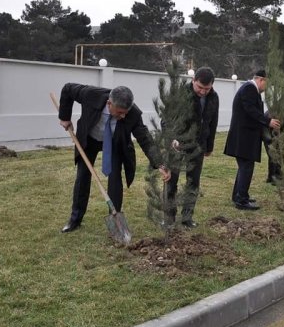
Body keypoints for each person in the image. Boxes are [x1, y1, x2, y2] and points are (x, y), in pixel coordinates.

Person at [57, 83, 171, 233]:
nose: (123, 116)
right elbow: (67, 89)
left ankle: (116, 222)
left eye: (126, 112)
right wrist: (64, 117)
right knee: (83, 176)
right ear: (109, 103)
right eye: (120, 112)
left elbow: (144, 138)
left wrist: (160, 162)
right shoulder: (90, 94)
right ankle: (75, 219)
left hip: (114, 142)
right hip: (89, 139)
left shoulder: (133, 114)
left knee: (115, 179)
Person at [166, 67, 219, 228]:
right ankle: (169, 217)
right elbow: (167, 118)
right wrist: (171, 138)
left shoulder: (213, 97)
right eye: (200, 87)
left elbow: (213, 122)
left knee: (193, 181)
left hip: (198, 145)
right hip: (178, 143)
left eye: (207, 88)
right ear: (193, 81)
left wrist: (209, 145)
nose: (203, 92)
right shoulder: (180, 93)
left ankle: (187, 218)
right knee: (171, 180)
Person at [224, 70, 281, 210]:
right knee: (246, 167)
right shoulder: (249, 88)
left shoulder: (250, 89)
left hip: (245, 136)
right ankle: (241, 200)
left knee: (244, 166)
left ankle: (238, 195)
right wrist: (267, 121)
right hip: (244, 136)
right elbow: (250, 110)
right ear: (262, 80)